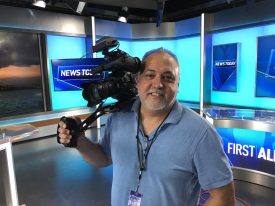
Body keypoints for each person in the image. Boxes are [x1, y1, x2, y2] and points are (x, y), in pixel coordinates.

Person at [58, 48, 235, 206]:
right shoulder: (118, 116)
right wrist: (79, 140)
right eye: (150, 75)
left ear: (177, 86)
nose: (158, 84)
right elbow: (104, 157)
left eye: (168, 77)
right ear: (138, 82)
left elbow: (223, 198)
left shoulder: (201, 133)